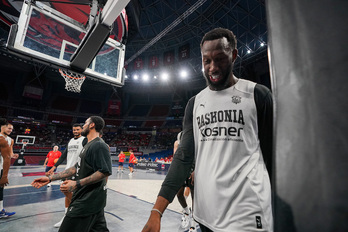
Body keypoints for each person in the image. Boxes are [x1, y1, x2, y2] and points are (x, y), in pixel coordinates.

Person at [142, 28, 273, 232]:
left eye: (220, 59)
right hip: (205, 215)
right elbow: (184, 157)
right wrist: (157, 211)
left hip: (247, 215)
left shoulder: (257, 95)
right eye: (206, 61)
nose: (213, 67)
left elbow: (273, 158)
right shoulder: (195, 104)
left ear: (234, 55)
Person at [31, 116, 112, 232]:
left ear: (92, 125)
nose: (83, 125)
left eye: (85, 123)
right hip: (92, 200)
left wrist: (76, 183)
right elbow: (75, 168)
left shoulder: (99, 145)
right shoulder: (88, 144)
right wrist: (50, 178)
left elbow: (105, 171)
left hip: (87, 200)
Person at [46, 124, 87, 228]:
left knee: (73, 193)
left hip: (78, 170)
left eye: (78, 129)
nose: (76, 131)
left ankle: (78, 214)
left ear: (81, 130)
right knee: (66, 191)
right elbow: (64, 155)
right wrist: (54, 167)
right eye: (74, 130)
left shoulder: (84, 140)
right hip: (68, 170)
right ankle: (66, 216)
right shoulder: (71, 141)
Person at [173, 131, 196, 231]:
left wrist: (195, 170)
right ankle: (186, 212)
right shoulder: (178, 140)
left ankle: (194, 224)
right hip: (182, 170)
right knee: (179, 194)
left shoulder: (195, 139)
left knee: (194, 198)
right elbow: (176, 157)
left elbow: (199, 156)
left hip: (193, 169)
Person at [0, 119, 18, 218]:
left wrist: (13, 155)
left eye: (12, 129)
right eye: (9, 128)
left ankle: (1, 210)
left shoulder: (10, 140)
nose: (11, 130)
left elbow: (9, 155)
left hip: (1, 166)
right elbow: (6, 158)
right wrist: (5, 176)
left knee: (0, 189)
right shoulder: (2, 139)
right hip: (1, 168)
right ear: (3, 127)